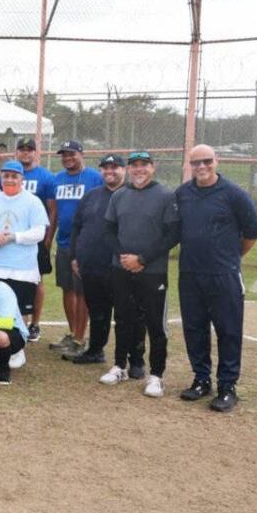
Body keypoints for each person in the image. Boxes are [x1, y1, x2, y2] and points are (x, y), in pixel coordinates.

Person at [174, 145, 257, 412]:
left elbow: (251, 234)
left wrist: (230, 259)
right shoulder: (183, 193)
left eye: (207, 161)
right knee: (194, 328)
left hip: (224, 275)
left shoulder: (234, 194)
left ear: (216, 161)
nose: (201, 167)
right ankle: (201, 380)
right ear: (190, 165)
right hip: (190, 273)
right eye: (196, 162)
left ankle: (227, 387)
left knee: (228, 331)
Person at [99, 151, 180, 398]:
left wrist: (142, 259)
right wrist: (124, 257)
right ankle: (119, 366)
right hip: (121, 268)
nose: (139, 170)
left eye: (144, 165)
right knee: (123, 318)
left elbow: (172, 235)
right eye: (134, 165)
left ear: (152, 168)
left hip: (152, 271)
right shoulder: (120, 195)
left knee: (155, 324)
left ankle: (156, 375)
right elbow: (109, 230)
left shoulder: (166, 195)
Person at [0, 160, 49, 364]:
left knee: (21, 311)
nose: (9, 179)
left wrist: (12, 237)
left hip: (23, 268)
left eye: (14, 176)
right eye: (6, 176)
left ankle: (17, 349)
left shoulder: (33, 202)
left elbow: (39, 232)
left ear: (21, 179)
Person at [65, 155, 132, 366]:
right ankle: (95, 350)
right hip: (92, 265)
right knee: (97, 312)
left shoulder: (132, 195)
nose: (109, 171)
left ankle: (130, 358)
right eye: (105, 168)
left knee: (124, 314)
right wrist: (75, 256)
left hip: (120, 266)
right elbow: (77, 226)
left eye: (115, 167)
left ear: (124, 169)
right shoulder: (92, 196)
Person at [51, 140, 103, 356]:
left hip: (85, 245)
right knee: (67, 289)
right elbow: (55, 212)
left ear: (82, 154)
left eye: (71, 154)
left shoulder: (94, 178)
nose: (67, 158)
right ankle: (73, 334)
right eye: (64, 155)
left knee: (82, 293)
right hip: (64, 243)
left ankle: (81, 339)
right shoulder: (58, 179)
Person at [1, 138, 56, 342]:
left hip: (34, 236)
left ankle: (35, 323)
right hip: (9, 237)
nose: (26, 153)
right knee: (9, 280)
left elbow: (52, 210)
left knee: (37, 280)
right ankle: (10, 319)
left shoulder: (46, 177)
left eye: (29, 150)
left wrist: (48, 238)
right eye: (22, 150)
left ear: (35, 152)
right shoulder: (6, 175)